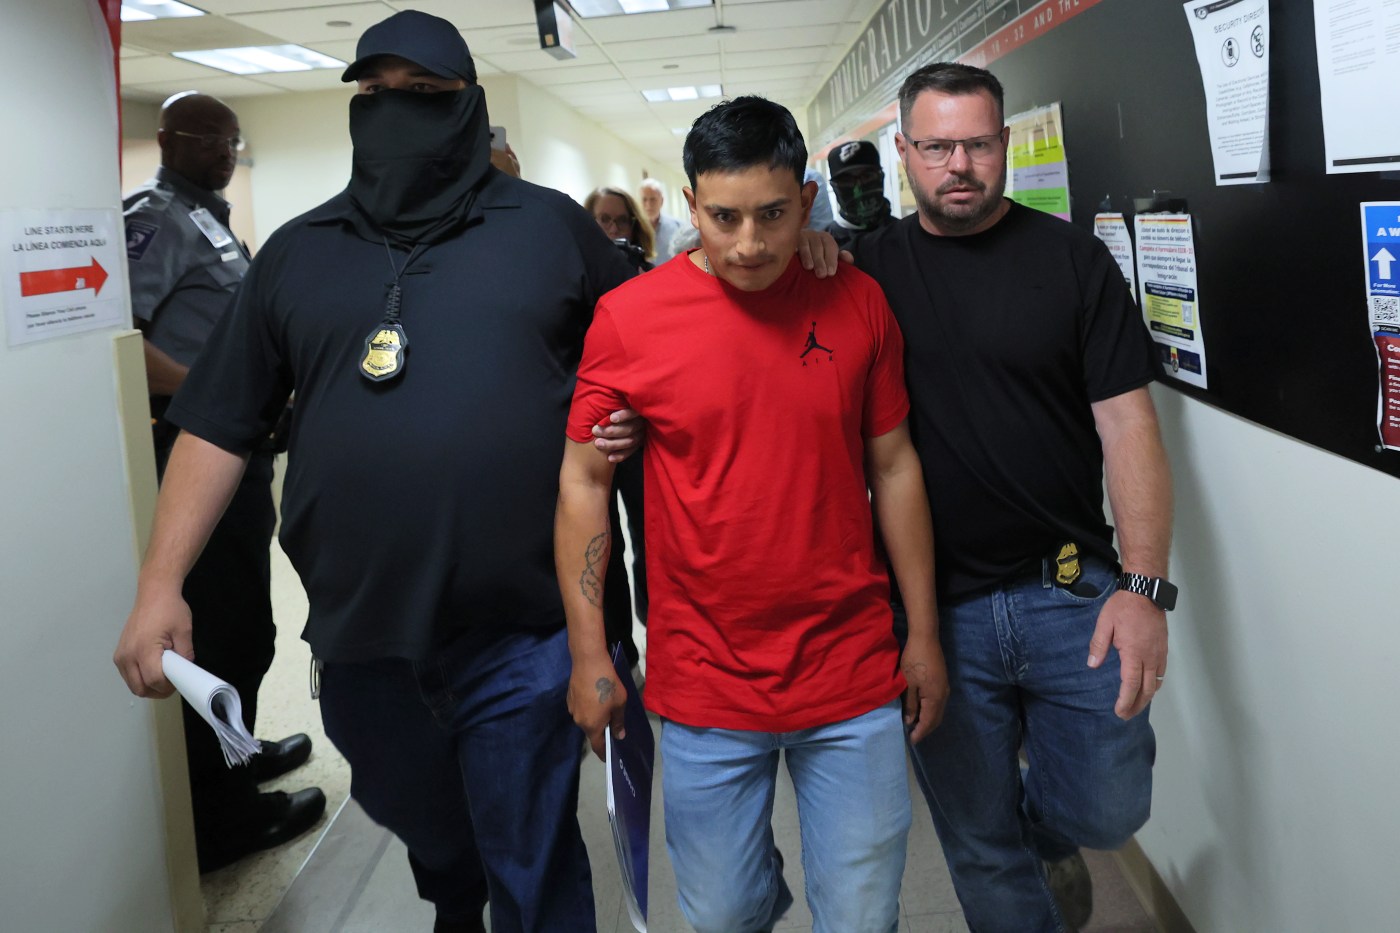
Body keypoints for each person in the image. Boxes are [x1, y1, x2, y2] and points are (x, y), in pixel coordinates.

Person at [113, 11, 642, 932]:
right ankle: (454, 891)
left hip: (522, 627)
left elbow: (661, 349)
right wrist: (160, 583)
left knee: (532, 852)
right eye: (375, 93)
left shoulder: (549, 229)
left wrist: (801, 258)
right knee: (430, 830)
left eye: (425, 95)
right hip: (364, 639)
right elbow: (218, 423)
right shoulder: (298, 251)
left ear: (468, 105)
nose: (397, 111)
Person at [557, 95, 949, 933]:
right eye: (723, 217)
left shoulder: (855, 299)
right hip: (704, 676)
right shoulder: (630, 318)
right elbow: (584, 482)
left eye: (772, 215)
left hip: (849, 667)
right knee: (724, 912)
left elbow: (894, 465)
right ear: (690, 205)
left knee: (863, 917)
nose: (748, 244)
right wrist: (591, 653)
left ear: (807, 201)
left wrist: (921, 632)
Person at [843, 62, 1173, 932]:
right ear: (904, 151)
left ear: (1007, 144)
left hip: (1068, 590)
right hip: (933, 611)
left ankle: (1049, 835)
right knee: (980, 843)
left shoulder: (1072, 259)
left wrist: (1143, 588)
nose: (959, 165)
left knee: (1109, 809)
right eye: (937, 146)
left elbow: (1128, 426)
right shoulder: (864, 271)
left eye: (979, 144)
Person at [122, 91, 323, 874]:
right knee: (221, 628)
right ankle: (222, 816)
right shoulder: (154, 219)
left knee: (246, 623)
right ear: (167, 139)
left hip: (239, 452)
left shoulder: (207, 216)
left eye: (232, 139)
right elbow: (123, 339)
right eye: (208, 137)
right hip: (191, 449)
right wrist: (213, 393)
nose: (224, 151)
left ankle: (238, 748)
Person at [825, 139, 896, 251]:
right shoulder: (822, 248)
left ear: (880, 177)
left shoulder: (908, 234)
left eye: (867, 176)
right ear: (834, 187)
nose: (858, 188)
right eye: (847, 180)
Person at [584, 185, 654, 272]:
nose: (614, 229)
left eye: (622, 220)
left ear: (634, 227)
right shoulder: (577, 273)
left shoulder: (649, 272)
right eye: (604, 219)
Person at [639, 177, 683, 265]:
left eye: (653, 199)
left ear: (661, 201)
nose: (648, 204)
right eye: (644, 199)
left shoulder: (677, 227)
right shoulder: (633, 228)